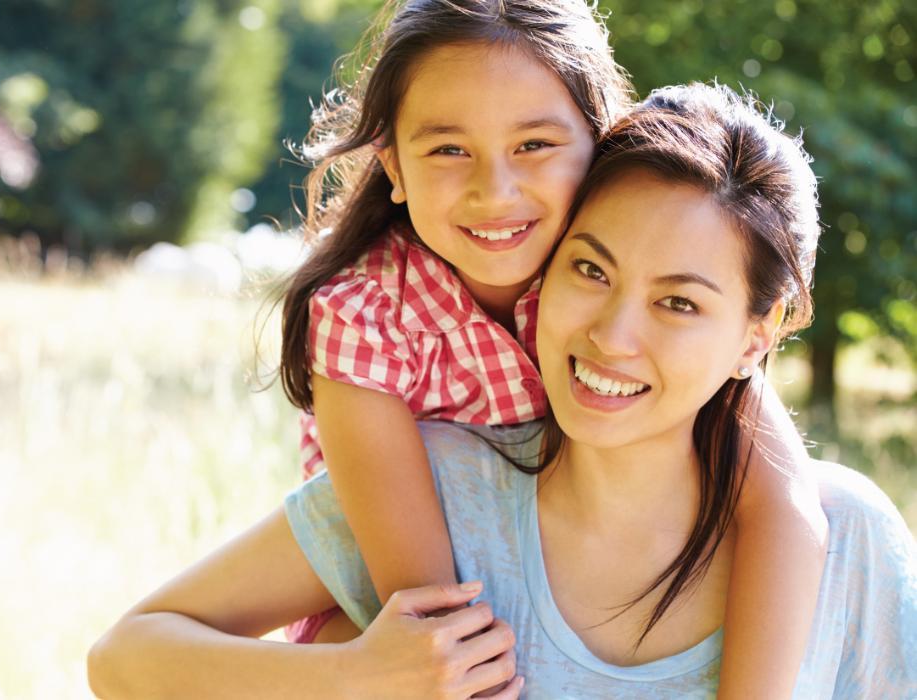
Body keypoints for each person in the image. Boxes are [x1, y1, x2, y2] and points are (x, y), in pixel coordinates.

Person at [87, 83, 915, 699]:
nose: (612, 336)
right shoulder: (440, 486)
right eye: (589, 269)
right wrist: (348, 674)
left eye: (677, 303)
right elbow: (124, 656)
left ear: (758, 333)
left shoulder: (851, 544)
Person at [274, 1, 828, 694]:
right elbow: (433, 619)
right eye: (447, 149)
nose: (494, 191)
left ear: (598, 144)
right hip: (388, 616)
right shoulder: (365, 315)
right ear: (392, 162)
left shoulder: (610, 284)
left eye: (533, 144)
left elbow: (784, 503)